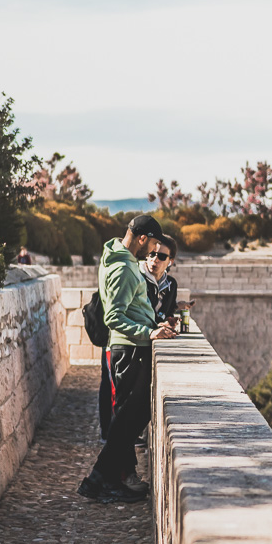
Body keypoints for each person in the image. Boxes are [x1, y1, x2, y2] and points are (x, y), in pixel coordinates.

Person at [79, 214, 176, 503]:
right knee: (128, 419)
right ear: (143, 238)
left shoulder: (116, 257)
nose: (154, 251)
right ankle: (100, 480)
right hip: (130, 348)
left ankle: (111, 478)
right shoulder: (123, 268)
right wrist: (149, 332)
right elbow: (114, 317)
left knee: (127, 418)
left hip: (130, 348)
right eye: (154, 243)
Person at [142, 234, 179, 323]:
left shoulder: (171, 284)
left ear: (170, 261)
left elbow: (169, 312)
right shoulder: (138, 278)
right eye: (152, 254)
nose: (155, 259)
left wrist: (169, 320)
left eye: (162, 256)